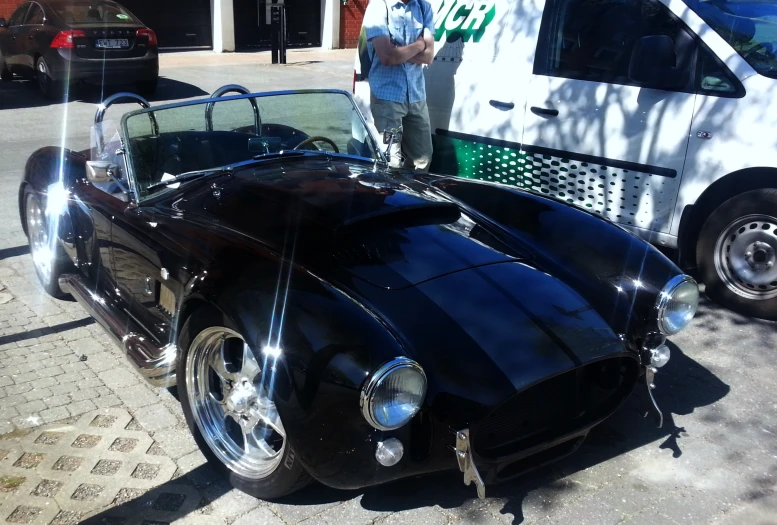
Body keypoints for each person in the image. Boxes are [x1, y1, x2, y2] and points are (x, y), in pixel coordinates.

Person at [363, 0, 435, 171]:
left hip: (416, 96)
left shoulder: (424, 7)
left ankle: (413, 197)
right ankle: (390, 198)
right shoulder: (379, 6)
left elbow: (428, 57)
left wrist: (399, 52)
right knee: (391, 163)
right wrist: (418, 45)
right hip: (387, 98)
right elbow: (387, 57)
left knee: (423, 158)